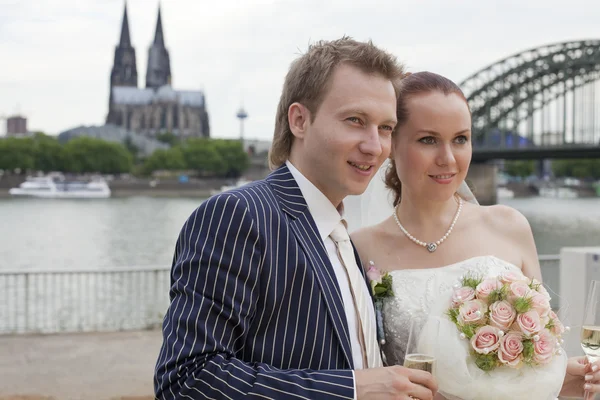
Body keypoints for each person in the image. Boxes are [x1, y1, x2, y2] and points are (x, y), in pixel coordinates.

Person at [154, 38, 438, 399]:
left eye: (385, 128)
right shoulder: (240, 216)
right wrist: (351, 390)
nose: (375, 146)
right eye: (355, 120)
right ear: (300, 120)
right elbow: (187, 380)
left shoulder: (342, 237)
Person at [349, 71, 600, 399]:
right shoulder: (358, 248)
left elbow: (542, 367)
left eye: (460, 139)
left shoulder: (510, 226)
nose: (448, 159)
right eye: (428, 139)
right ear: (392, 144)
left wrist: (570, 379)